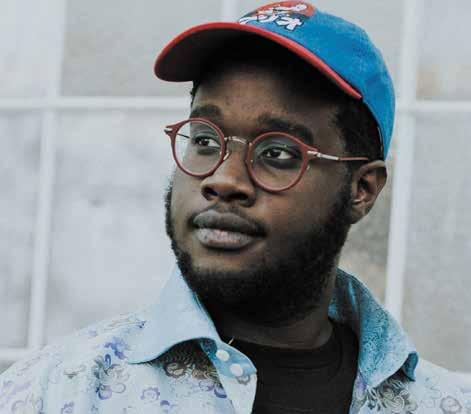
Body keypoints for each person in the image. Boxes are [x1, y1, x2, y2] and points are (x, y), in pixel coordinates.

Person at [1, 2, 469, 413]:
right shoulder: (55, 393)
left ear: (361, 189)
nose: (223, 180)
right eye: (205, 141)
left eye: (278, 153)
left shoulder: (440, 403)